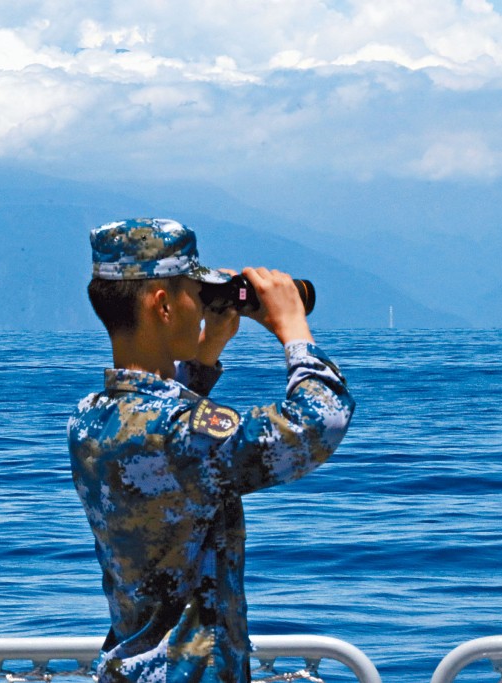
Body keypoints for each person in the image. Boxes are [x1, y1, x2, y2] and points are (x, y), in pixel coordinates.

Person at [68, 218, 355, 683]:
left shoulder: (89, 418)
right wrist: (294, 330)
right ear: (163, 304)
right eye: (194, 292)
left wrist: (205, 353)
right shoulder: (180, 435)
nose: (202, 307)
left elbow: (158, 431)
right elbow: (319, 422)